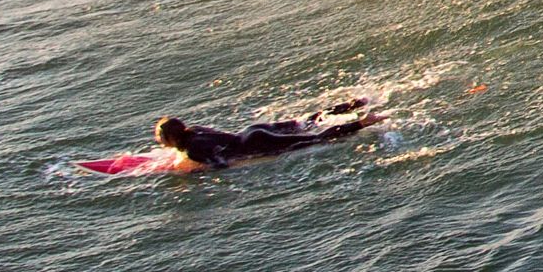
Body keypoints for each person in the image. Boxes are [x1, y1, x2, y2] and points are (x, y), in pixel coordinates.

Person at [153, 104, 380, 169]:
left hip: (257, 143)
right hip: (252, 131)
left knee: (316, 138)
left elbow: (221, 164)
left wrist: (190, 173)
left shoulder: (191, 149)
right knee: (305, 123)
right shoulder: (194, 129)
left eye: (160, 138)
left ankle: (363, 122)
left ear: (171, 139)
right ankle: (353, 104)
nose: (158, 141)